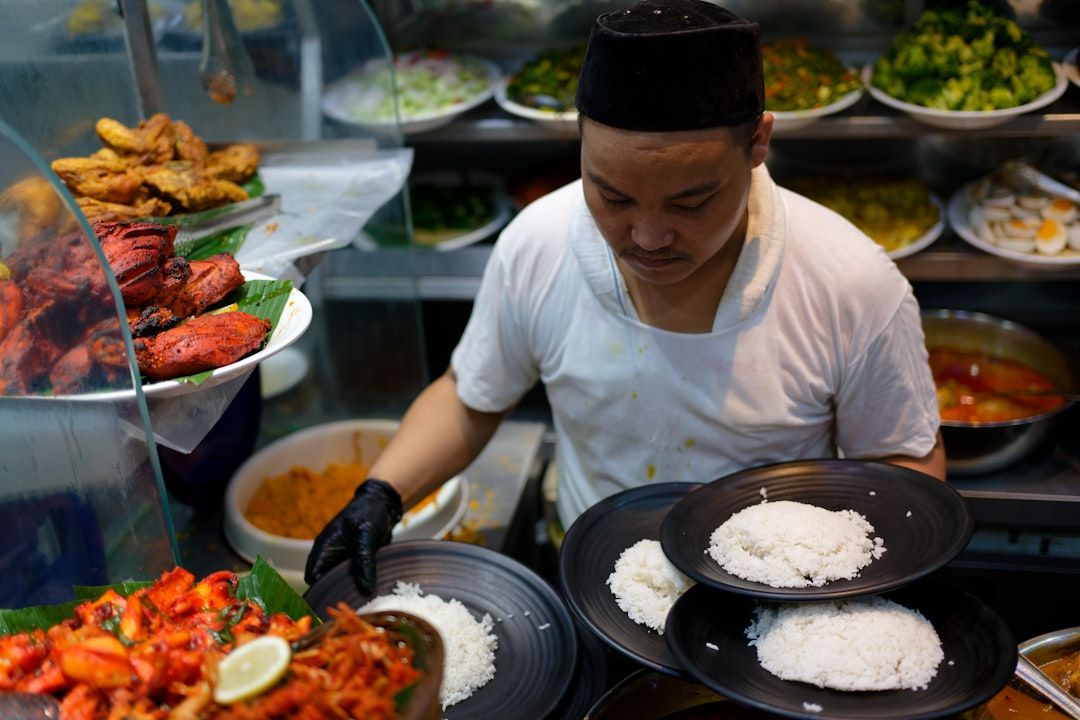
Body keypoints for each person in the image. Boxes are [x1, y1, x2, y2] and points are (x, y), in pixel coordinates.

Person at [305, 0, 945, 594]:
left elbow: (902, 462)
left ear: (757, 144)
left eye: (690, 203)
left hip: (770, 593)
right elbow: (472, 396)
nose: (647, 237)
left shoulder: (851, 282)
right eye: (611, 196)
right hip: (587, 572)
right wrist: (381, 495)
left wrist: (840, 589)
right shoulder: (539, 243)